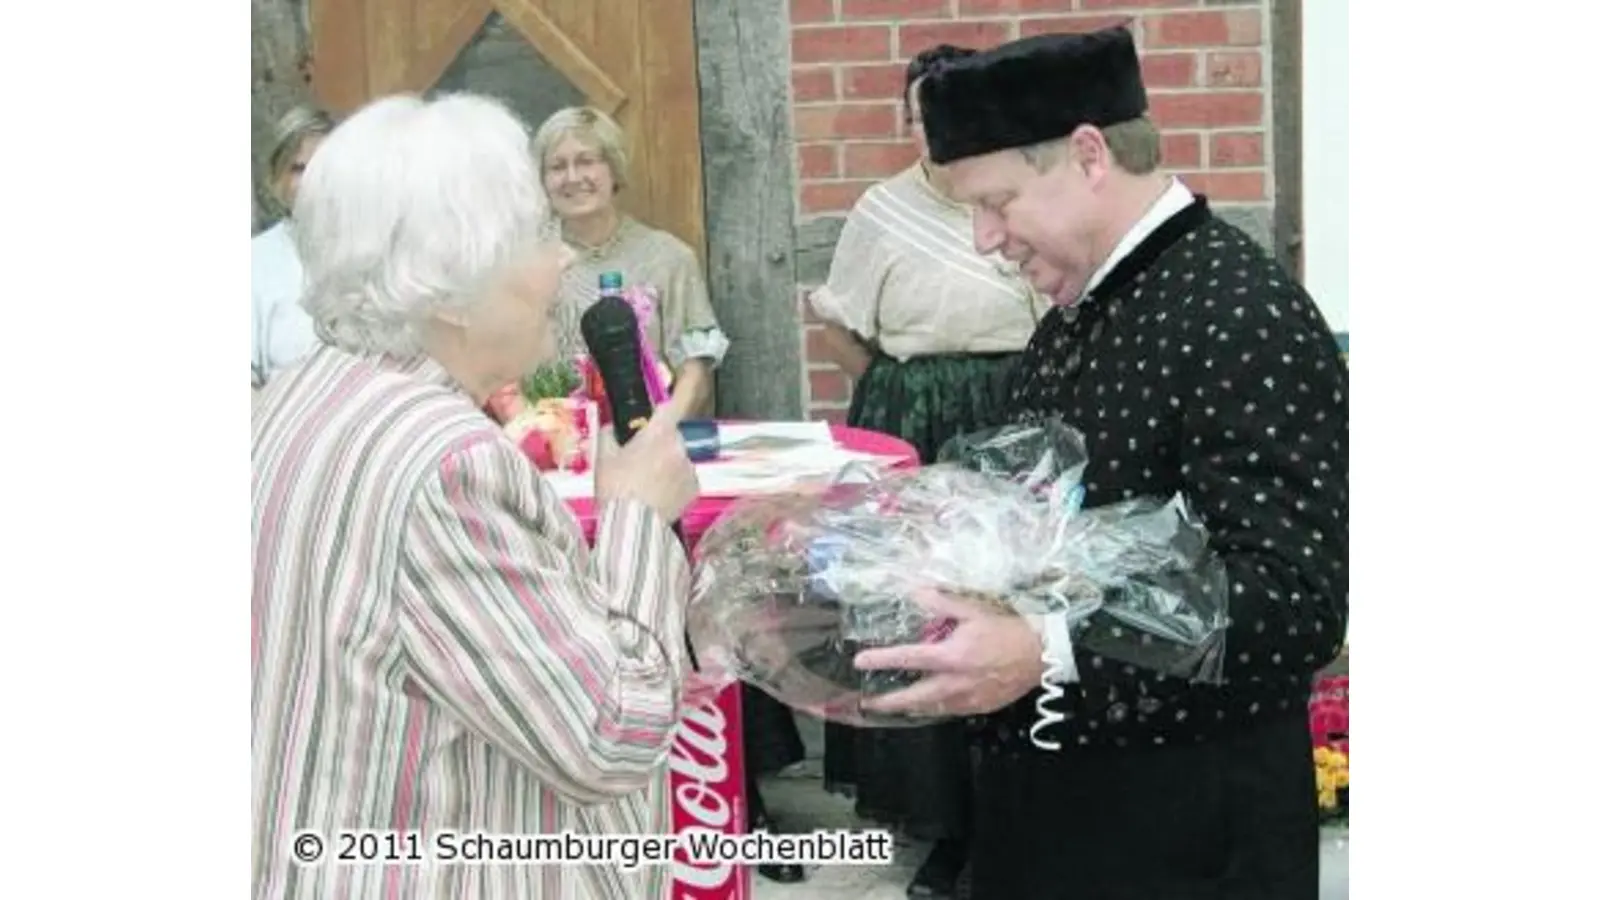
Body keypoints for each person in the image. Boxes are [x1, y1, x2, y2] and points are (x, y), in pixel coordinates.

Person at [853, 26, 1349, 900]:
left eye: (997, 201)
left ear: (1087, 155)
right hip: (1055, 820)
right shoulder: (1078, 309)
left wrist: (1045, 651)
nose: (983, 238)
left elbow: (1295, 600)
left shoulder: (1242, 313)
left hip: (1188, 842)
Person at [251, 92, 700, 900]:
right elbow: (611, 736)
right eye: (535, 235)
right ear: (449, 287)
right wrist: (636, 517)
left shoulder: (294, 398)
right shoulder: (442, 468)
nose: (561, 259)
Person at [807, 44, 1052, 899]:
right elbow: (841, 329)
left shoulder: (1023, 195)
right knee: (921, 613)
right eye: (924, 111)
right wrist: (903, 399)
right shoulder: (883, 208)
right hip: (916, 421)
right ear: (906, 119)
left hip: (1019, 418)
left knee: (1013, 609)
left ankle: (1013, 813)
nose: (938, 127)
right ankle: (944, 827)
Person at [532, 106, 728, 419]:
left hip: (649, 437)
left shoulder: (668, 258)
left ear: (614, 169)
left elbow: (696, 373)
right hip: (555, 448)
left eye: (586, 161)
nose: (572, 177)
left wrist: (660, 434)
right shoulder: (524, 264)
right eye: (557, 166)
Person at [251, 104, 334, 390]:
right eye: (298, 168)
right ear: (276, 180)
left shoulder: (376, 251)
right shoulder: (255, 263)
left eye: (325, 166)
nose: (313, 179)